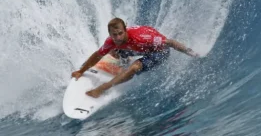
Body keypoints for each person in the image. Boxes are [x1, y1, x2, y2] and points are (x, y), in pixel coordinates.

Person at [72, 17, 200, 99]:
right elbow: (98, 54)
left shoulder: (142, 37)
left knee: (134, 67)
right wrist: (80, 71)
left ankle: (102, 89)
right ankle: (123, 61)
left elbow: (170, 43)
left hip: (159, 52)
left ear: (125, 30)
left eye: (120, 33)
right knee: (111, 50)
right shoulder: (112, 41)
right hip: (137, 49)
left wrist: (192, 53)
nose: (117, 37)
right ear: (110, 33)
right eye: (114, 35)